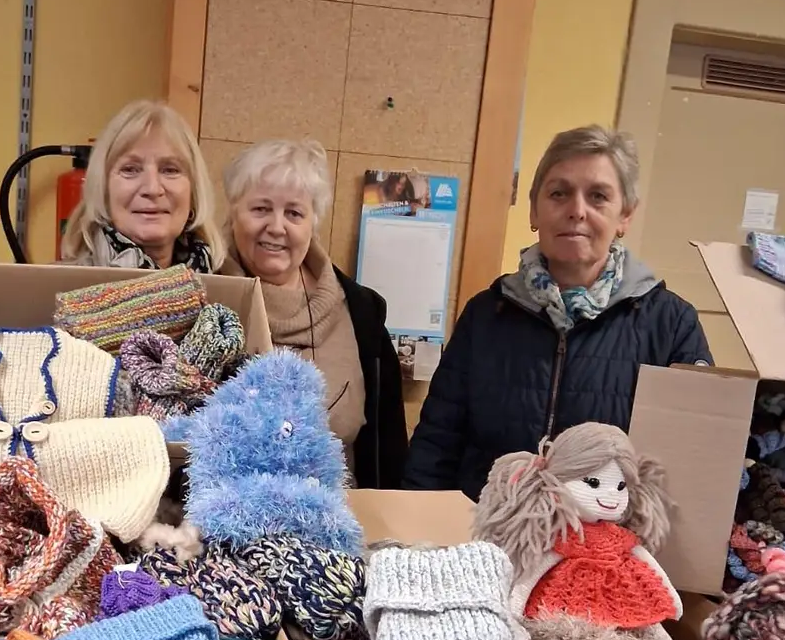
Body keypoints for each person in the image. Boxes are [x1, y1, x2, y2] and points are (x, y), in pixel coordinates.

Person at [401, 125, 712, 500]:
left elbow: (690, 470)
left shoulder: (672, 325)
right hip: (485, 541)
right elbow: (436, 444)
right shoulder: (486, 314)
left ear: (624, 216)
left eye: (598, 196)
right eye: (559, 194)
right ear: (534, 209)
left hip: (605, 552)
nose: (576, 211)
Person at [219, 139, 408, 487]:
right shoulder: (204, 302)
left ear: (313, 224)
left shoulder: (362, 312)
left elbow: (390, 447)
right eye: (260, 209)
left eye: (294, 213)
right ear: (233, 214)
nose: (277, 227)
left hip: (344, 523)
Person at [61, 100, 224, 271]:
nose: (152, 189)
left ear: (193, 193)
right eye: (130, 169)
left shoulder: (229, 290)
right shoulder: (59, 290)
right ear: (103, 188)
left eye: (170, 170)